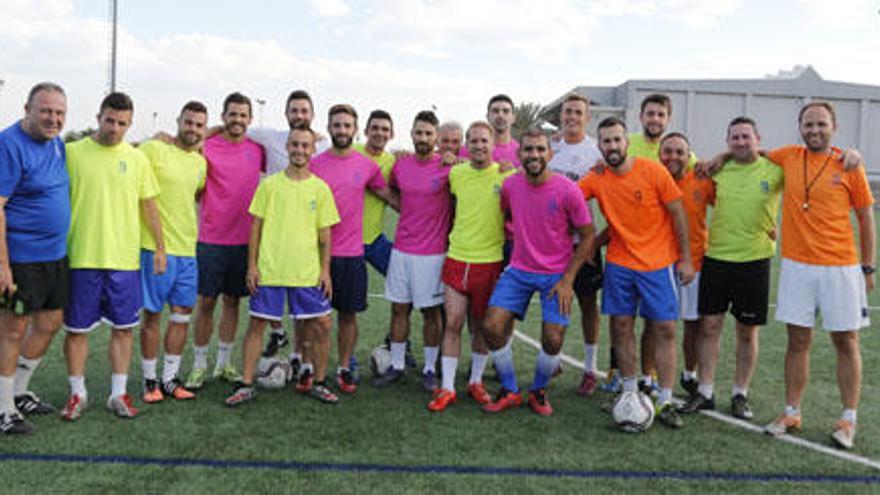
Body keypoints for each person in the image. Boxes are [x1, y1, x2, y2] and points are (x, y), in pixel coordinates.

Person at [762, 101, 875, 450]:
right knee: (798, 341)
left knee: (846, 342)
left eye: (821, 124)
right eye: (808, 124)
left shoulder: (849, 164)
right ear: (800, 127)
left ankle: (848, 420)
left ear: (833, 127)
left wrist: (868, 267)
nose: (814, 130)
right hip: (797, 266)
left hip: (841, 267)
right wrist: (718, 159)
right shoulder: (788, 156)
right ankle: (792, 411)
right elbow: (752, 151)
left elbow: (866, 220)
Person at [578, 117, 694, 429]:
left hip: (658, 265)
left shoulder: (653, 170)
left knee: (665, 329)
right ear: (600, 146)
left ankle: (666, 399)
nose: (612, 146)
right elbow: (566, 195)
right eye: (606, 141)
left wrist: (685, 260)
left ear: (626, 143)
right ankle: (629, 393)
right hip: (619, 263)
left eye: (617, 140)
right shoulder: (597, 177)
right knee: (620, 326)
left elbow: (678, 213)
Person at [61, 92, 164, 420]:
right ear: (98, 116)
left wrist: (160, 248)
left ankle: (118, 394)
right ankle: (78, 394)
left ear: (130, 124)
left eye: (122, 123)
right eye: (110, 120)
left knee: (124, 329)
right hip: (81, 257)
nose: (115, 128)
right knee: (76, 330)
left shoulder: (137, 159)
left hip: (124, 261)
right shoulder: (72, 153)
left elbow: (149, 206)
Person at [481, 128, 594, 416]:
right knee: (492, 327)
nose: (534, 155)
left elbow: (588, 234)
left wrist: (568, 279)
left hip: (557, 274)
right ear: (520, 155)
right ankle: (509, 388)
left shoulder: (568, 190)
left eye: (540, 149)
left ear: (550, 153)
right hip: (519, 269)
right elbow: (507, 214)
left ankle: (538, 390)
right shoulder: (510, 186)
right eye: (529, 150)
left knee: (553, 339)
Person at [225, 125, 340, 406]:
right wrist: (252, 266)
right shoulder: (270, 185)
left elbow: (325, 236)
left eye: (305, 145)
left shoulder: (320, 189)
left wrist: (325, 271)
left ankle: (320, 381)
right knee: (257, 325)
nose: (299, 150)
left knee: (322, 325)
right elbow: (256, 228)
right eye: (295, 145)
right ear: (287, 147)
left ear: (313, 150)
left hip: (306, 272)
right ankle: (246, 383)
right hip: (271, 270)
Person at [678, 117, 781, 421]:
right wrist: (719, 158)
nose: (739, 142)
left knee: (747, 332)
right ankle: (706, 391)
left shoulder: (774, 169)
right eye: (733, 138)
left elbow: (805, 167)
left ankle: (740, 393)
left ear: (758, 139)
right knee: (709, 327)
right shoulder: (716, 170)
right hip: (717, 258)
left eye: (745, 136)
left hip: (754, 261)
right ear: (727, 142)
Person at [427, 121, 513, 412]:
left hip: (489, 261)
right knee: (452, 322)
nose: (478, 146)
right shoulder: (457, 174)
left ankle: (475, 381)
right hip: (457, 257)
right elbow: (431, 162)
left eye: (483, 141)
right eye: (473, 141)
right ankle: (448, 387)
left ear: (492, 144)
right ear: (467, 144)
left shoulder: (507, 176)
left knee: (480, 327)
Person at [310, 104, 395, 394]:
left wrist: (428, 217)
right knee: (314, 318)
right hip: (317, 254)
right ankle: (310, 368)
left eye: (347, 126)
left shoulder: (367, 166)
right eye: (337, 125)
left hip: (351, 254)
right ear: (330, 127)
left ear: (354, 130)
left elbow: (389, 196)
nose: (342, 130)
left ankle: (345, 367)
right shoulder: (315, 164)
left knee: (348, 316)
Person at [0, 82, 70, 433]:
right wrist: (3, 265)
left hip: (55, 256)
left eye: (59, 113)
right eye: (45, 111)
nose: (53, 118)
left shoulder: (57, 143)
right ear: (27, 108)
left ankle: (20, 391)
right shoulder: (8, 144)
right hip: (23, 259)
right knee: (14, 329)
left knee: (50, 323)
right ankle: (3, 408)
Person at [185, 93, 266, 390]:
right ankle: (198, 365)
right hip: (210, 239)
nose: (238, 120)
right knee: (206, 302)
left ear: (250, 119)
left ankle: (224, 363)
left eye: (243, 115)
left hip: (244, 240)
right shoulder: (206, 146)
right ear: (223, 116)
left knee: (233, 302)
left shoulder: (258, 150)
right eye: (233, 114)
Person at [137, 101, 209, 403]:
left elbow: (192, 195)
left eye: (199, 125)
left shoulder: (200, 163)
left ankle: (169, 379)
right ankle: (149, 380)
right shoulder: (154, 150)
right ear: (178, 121)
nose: (192, 129)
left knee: (182, 316)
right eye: (188, 122)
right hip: (155, 249)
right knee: (152, 316)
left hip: (187, 252)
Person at [373, 110, 450, 391]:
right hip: (402, 250)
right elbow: (392, 190)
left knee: (431, 313)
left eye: (429, 133)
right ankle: (397, 366)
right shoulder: (401, 166)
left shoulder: (448, 166)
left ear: (437, 137)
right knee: (399, 310)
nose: (423, 138)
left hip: (432, 254)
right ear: (411, 134)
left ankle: (430, 369)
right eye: (419, 133)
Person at [547, 93, 604, 396]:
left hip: (583, 242)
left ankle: (590, 368)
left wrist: (594, 241)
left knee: (587, 304)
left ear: (587, 117)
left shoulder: (596, 152)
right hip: (552, 243)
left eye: (578, 112)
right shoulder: (550, 147)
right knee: (556, 299)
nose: (571, 117)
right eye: (567, 112)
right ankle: (554, 359)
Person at [653, 132, 714, 399]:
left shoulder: (702, 180)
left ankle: (689, 375)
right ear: (659, 154)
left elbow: (733, 203)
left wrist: (766, 225)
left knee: (692, 324)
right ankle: (649, 378)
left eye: (680, 152)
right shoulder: (651, 178)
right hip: (657, 262)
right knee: (657, 324)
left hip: (695, 264)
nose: (674, 157)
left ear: (690, 156)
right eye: (668, 151)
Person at [460, 94, 520, 169]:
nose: (500, 115)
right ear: (487, 116)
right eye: (495, 111)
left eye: (506, 111)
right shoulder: (467, 150)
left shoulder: (521, 152)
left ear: (513, 118)